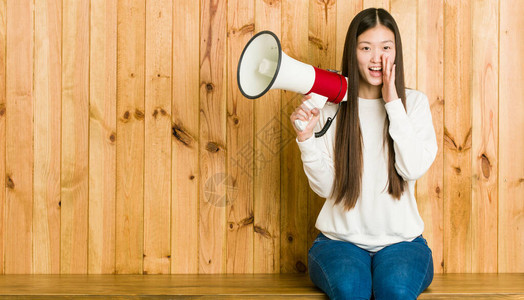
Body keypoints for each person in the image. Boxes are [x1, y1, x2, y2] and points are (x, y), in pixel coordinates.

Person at [289, 8, 438, 300]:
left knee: (395, 290)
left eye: (386, 48)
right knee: (349, 289)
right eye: (366, 48)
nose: (376, 58)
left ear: (396, 53)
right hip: (338, 243)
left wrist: (393, 103)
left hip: (403, 244)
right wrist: (306, 139)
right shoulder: (331, 109)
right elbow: (327, 189)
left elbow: (412, 168)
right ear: (352, 52)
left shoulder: (415, 104)